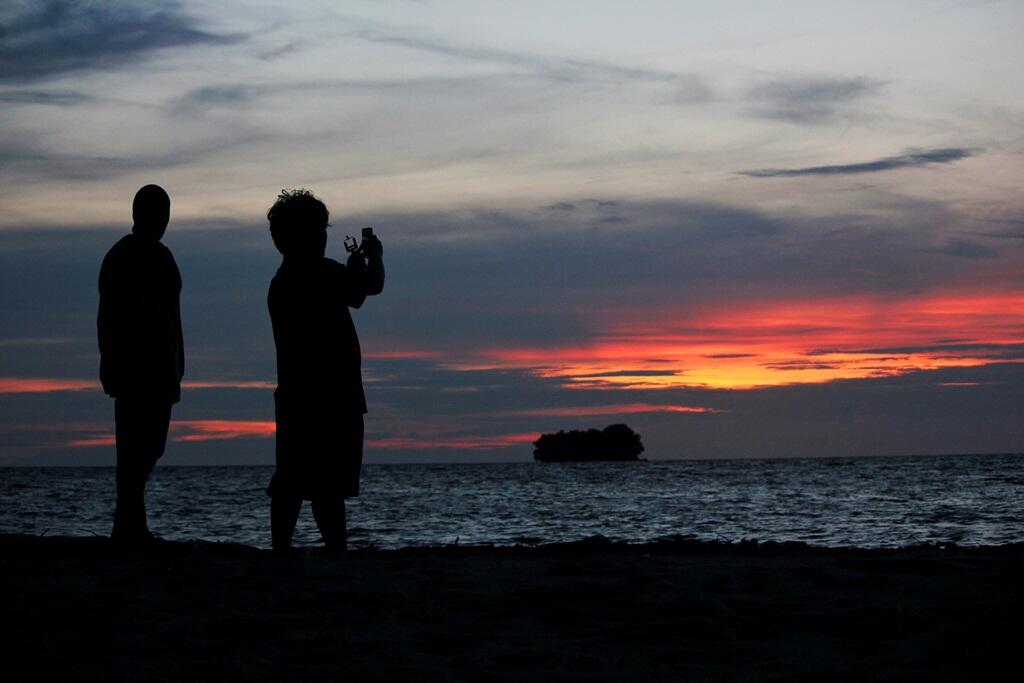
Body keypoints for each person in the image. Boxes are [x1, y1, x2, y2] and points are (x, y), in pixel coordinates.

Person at [266, 189, 384, 552]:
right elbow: (369, 289)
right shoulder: (321, 272)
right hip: (335, 395)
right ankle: (335, 552)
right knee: (327, 485)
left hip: (297, 396)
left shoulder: (283, 281)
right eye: (318, 230)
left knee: (295, 478)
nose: (323, 237)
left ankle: (281, 552)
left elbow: (354, 294)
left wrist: (352, 272)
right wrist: (375, 257)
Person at [97, 184, 184, 544]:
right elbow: (107, 317)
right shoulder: (120, 257)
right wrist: (110, 362)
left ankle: (130, 523)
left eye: (164, 213)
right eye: (155, 212)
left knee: (151, 446)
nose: (161, 220)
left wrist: (179, 360)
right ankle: (129, 526)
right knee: (133, 447)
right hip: (132, 367)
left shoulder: (164, 257)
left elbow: (173, 314)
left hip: (161, 367)